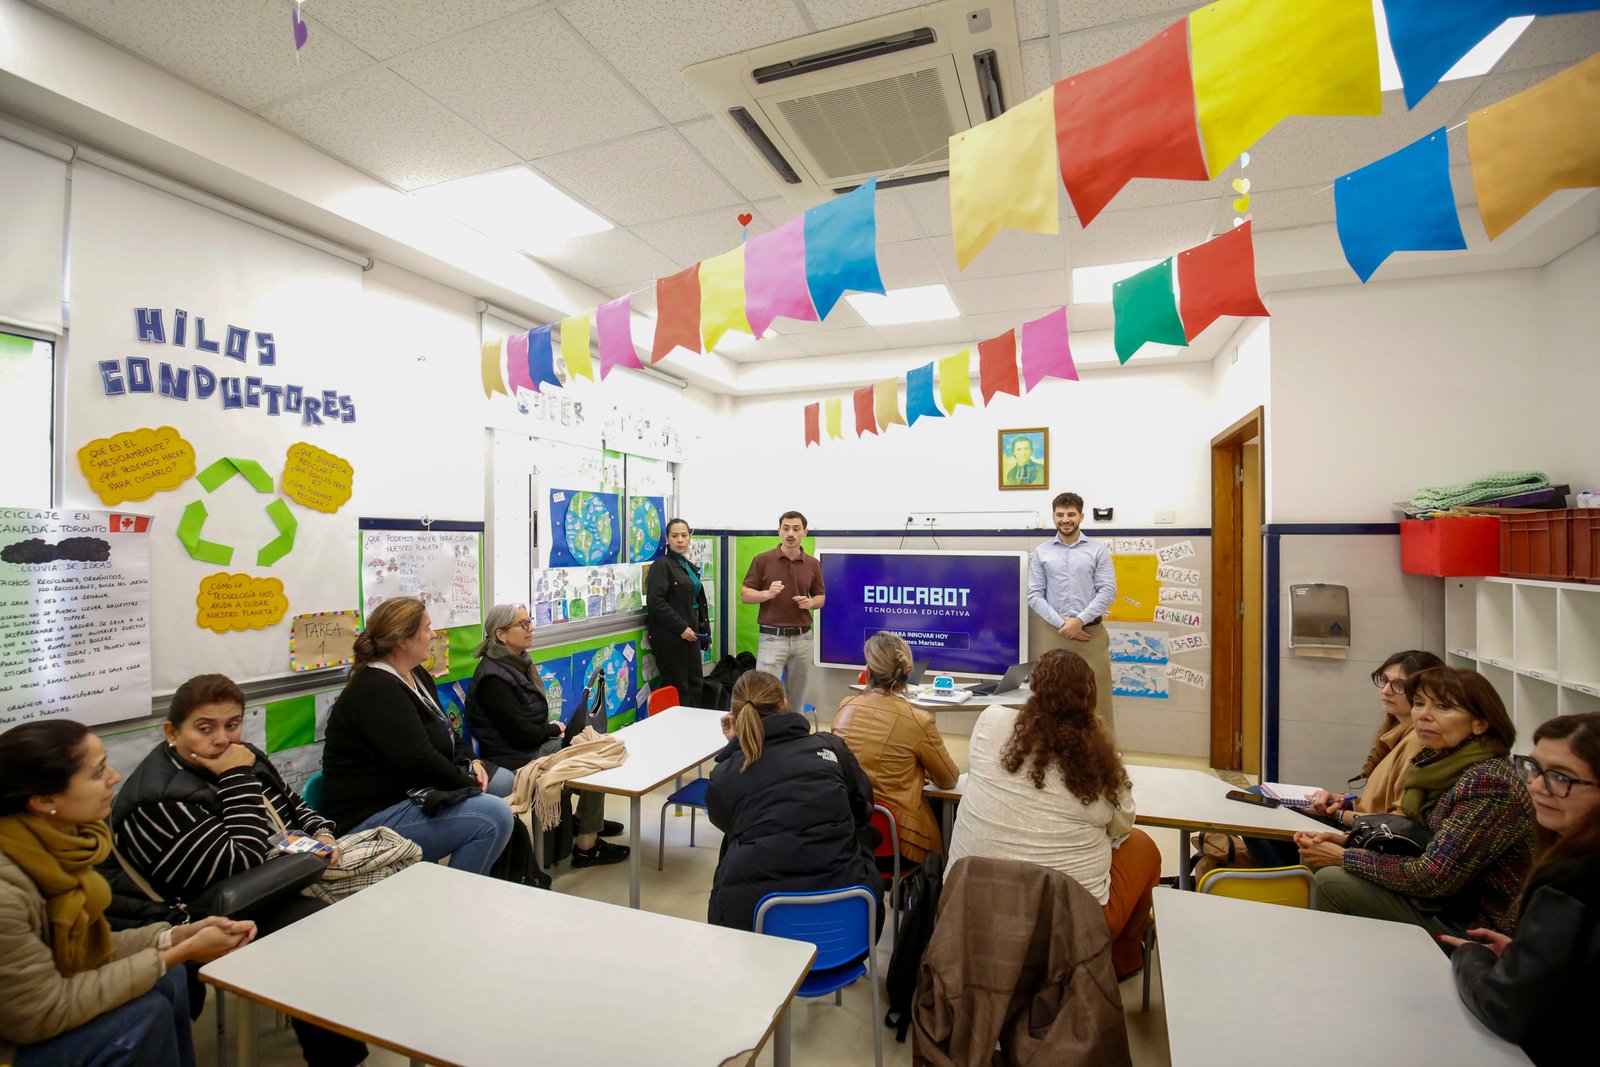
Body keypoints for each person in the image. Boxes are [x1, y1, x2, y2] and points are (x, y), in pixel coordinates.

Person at [110, 675, 368, 1066]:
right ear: (171, 732)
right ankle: (340, 1058)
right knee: (314, 930)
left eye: (232, 725)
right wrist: (235, 778)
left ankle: (357, 1017)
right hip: (199, 911)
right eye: (204, 728)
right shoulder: (159, 800)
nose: (222, 739)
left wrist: (322, 832)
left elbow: (292, 804)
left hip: (267, 878)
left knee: (365, 909)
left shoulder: (241, 755)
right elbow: (238, 861)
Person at [1, 720, 256, 1067]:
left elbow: (90, 948)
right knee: (144, 1012)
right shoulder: (8, 891)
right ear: (45, 800)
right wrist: (180, 953)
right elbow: (39, 1013)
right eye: (97, 773)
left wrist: (175, 937)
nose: (114, 777)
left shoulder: (64, 845)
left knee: (171, 978)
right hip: (16, 1042)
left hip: (43, 1004)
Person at [946, 648, 1161, 979]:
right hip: (1069, 926)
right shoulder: (1101, 763)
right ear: (1090, 702)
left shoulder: (990, 721)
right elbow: (1122, 826)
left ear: (1034, 690)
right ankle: (1123, 960)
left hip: (967, 902)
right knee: (1143, 847)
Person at [1297, 666, 1535, 934]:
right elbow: (1420, 839)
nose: (1423, 715)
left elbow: (1433, 876)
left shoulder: (1487, 783)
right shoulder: (1441, 763)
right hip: (1450, 901)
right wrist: (1348, 841)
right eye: (1419, 703)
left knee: (1333, 882)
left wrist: (1345, 856)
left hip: (1477, 922)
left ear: (1480, 724)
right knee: (1315, 857)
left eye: (1443, 707)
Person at [1443, 713, 1600, 1066]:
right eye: (1534, 768)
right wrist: (1528, 955)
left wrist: (1471, 955)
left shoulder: (1571, 880)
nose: (1537, 786)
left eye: (1561, 777)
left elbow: (1506, 1007)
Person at [320, 596, 514, 875]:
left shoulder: (416, 675)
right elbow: (420, 761)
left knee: (503, 782)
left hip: (411, 793)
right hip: (373, 815)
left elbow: (447, 731)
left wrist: (473, 762)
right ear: (403, 641)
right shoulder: (376, 689)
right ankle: (457, 897)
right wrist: (468, 785)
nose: (433, 635)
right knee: (495, 817)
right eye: (426, 628)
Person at [705, 671, 880, 934]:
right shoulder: (832, 748)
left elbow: (725, 822)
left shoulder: (727, 774)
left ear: (735, 717)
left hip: (756, 930)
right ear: (785, 704)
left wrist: (736, 748)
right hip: (849, 923)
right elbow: (862, 807)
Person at [1243, 649, 1444, 867]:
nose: (1386, 690)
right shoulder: (1398, 733)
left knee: (1255, 802)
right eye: (1384, 680)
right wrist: (1341, 800)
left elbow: (1398, 822)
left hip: (1367, 838)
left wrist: (1339, 814)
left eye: (1399, 685)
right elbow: (1375, 804)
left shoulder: (1417, 742)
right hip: (1359, 825)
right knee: (1257, 797)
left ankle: (1286, 879)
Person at [464, 603, 628, 868]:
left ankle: (585, 822)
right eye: (523, 624)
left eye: (530, 621)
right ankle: (587, 845)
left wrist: (549, 730)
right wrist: (553, 730)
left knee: (595, 746)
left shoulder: (516, 663)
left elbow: (523, 724)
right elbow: (521, 735)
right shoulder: (494, 679)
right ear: (501, 635)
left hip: (531, 744)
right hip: (517, 756)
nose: (530, 628)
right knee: (593, 758)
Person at [832, 632, 959, 865]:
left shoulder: (845, 707)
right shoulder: (918, 720)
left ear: (867, 672)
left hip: (847, 838)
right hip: (902, 842)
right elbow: (949, 780)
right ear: (908, 672)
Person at [1026, 492, 1117, 735]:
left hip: (1091, 635)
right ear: (1054, 516)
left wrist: (1079, 621)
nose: (1065, 519)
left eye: (1071, 514)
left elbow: (1108, 591)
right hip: (1055, 633)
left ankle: (1103, 751)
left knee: (1097, 696)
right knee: (1052, 695)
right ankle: (1053, 749)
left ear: (1081, 517)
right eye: (1060, 514)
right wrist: (1063, 624)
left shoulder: (1098, 550)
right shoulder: (1042, 552)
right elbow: (1034, 595)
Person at [740, 510, 825, 715]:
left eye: (796, 529)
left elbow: (821, 598)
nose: (790, 533)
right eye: (786, 528)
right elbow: (745, 595)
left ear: (805, 532)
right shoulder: (762, 560)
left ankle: (794, 733)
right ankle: (765, 733)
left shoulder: (813, 564)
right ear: (779, 531)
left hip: (803, 638)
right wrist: (767, 594)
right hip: (772, 638)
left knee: (796, 701)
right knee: (764, 698)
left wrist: (810, 602)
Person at [645, 518, 710, 708]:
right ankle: (679, 723)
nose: (680, 540)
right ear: (667, 539)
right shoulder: (662, 565)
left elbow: (697, 601)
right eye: (675, 536)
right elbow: (656, 602)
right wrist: (681, 628)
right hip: (672, 636)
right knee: (679, 687)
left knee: (695, 683)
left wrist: (705, 632)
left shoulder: (687, 565)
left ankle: (693, 721)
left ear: (690, 537)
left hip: (691, 632)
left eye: (684, 535)